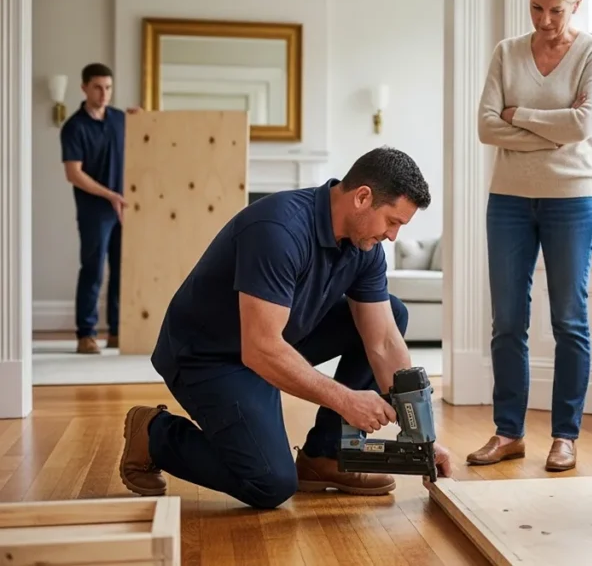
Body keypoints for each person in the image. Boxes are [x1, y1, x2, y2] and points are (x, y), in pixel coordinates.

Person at [118, 147, 453, 509]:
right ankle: (153, 434)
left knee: (394, 314)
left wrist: (423, 439)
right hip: (208, 355)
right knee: (270, 483)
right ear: (362, 197)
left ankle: (326, 456)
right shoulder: (278, 230)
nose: (392, 236)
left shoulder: (365, 249)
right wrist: (346, 400)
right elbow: (260, 349)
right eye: (392, 221)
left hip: (272, 340)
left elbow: (384, 342)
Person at [469, 0, 592, 472]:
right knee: (507, 321)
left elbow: (581, 126)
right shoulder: (507, 53)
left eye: (555, 9)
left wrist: (521, 116)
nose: (545, 20)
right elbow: (486, 127)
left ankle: (564, 436)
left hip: (572, 201)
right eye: (536, 7)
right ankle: (508, 433)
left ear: (576, 4)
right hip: (507, 200)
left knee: (569, 321)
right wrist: (550, 126)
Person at [60, 63, 143, 355]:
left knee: (122, 271)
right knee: (93, 270)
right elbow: (74, 173)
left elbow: (147, 141)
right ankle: (87, 334)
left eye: (108, 87)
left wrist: (143, 121)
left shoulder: (120, 119)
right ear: (84, 88)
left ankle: (119, 332)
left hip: (125, 208)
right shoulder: (74, 126)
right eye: (97, 87)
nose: (104, 93)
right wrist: (110, 195)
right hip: (95, 209)